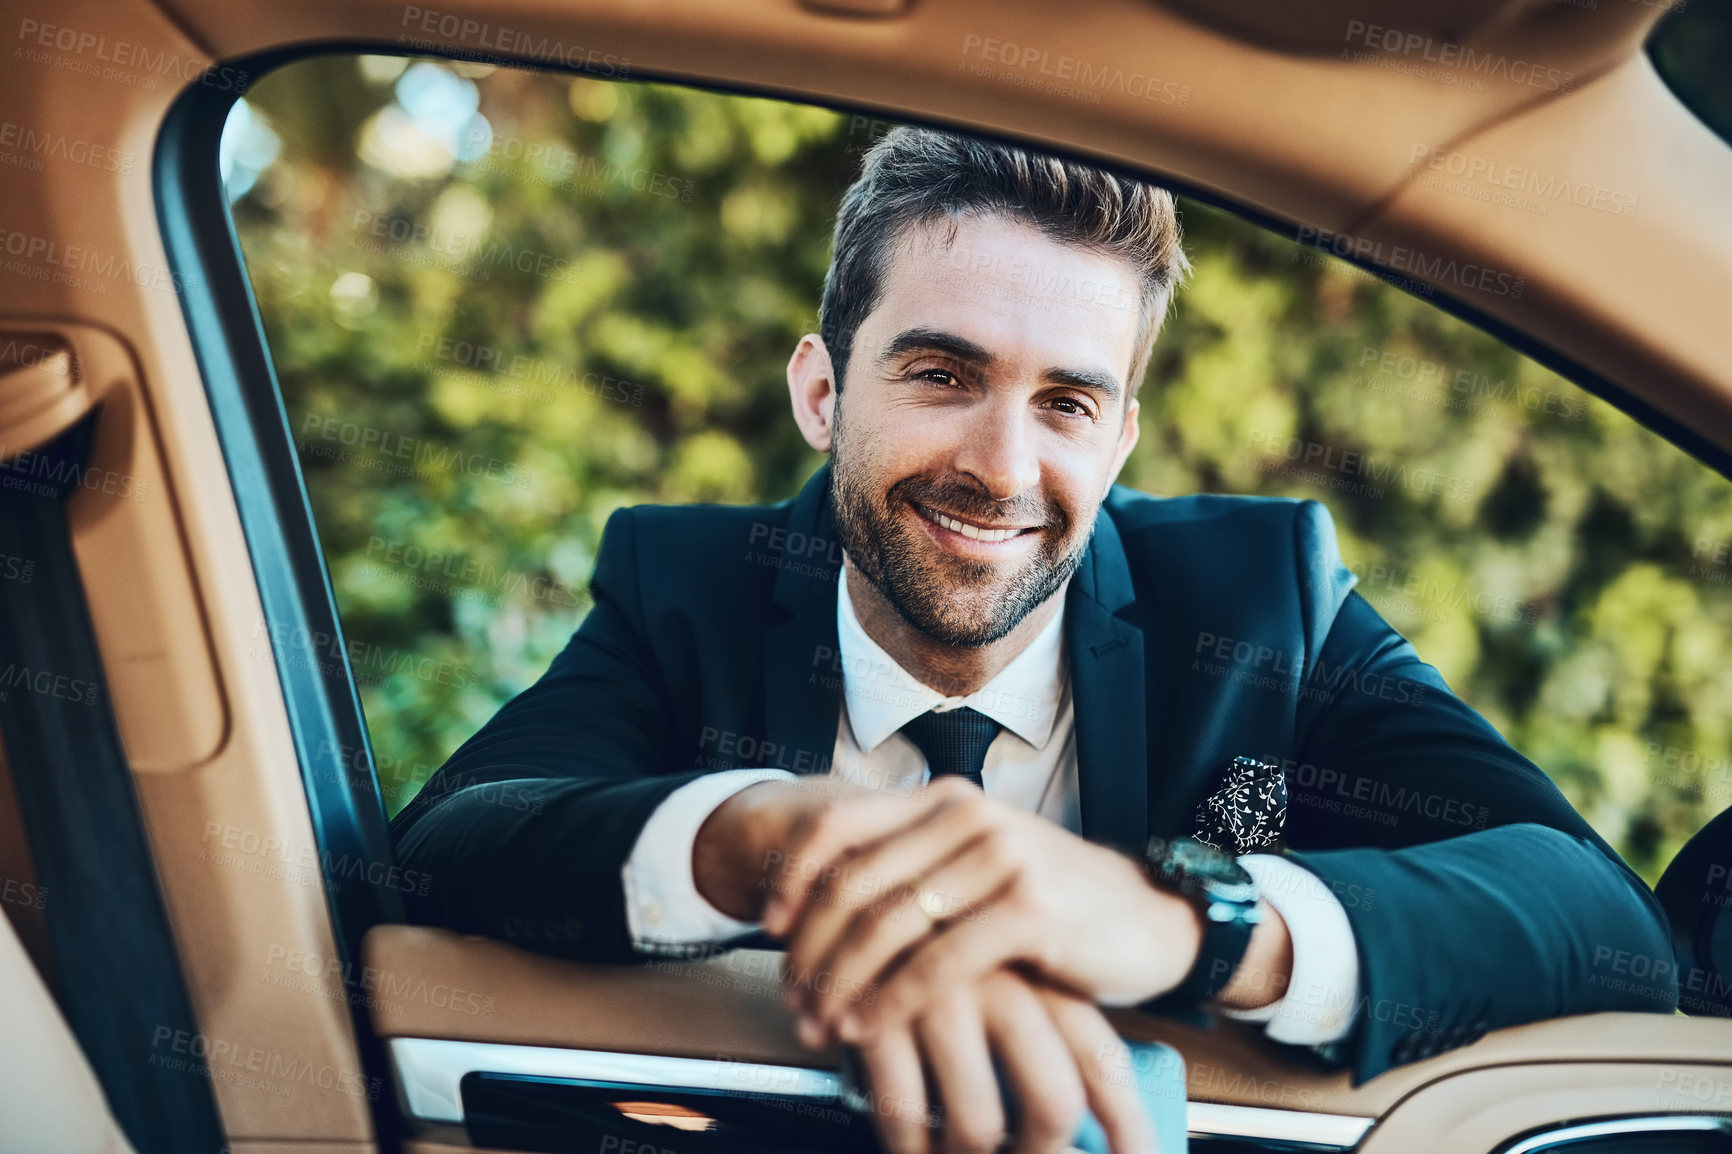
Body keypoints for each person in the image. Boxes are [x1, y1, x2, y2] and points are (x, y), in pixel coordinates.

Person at [391, 126, 1678, 1154]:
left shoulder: (1262, 596)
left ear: (1118, 437)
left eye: (1064, 401)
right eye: (942, 375)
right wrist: (775, 842)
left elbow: (1589, 907)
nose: (1002, 468)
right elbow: (450, 843)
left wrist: (1184, 922)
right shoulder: (686, 588)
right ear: (822, 390)